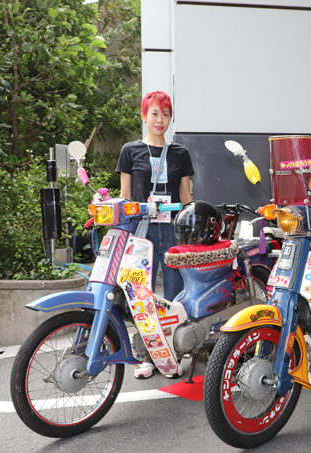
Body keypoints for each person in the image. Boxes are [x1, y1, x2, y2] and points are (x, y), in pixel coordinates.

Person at [116, 90, 194, 378]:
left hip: (173, 231)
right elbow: (125, 198)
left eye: (165, 114)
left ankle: (171, 353)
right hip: (141, 232)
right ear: (144, 115)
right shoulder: (130, 151)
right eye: (154, 113)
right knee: (142, 296)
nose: (160, 119)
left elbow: (186, 199)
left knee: (173, 296)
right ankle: (145, 356)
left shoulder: (180, 154)